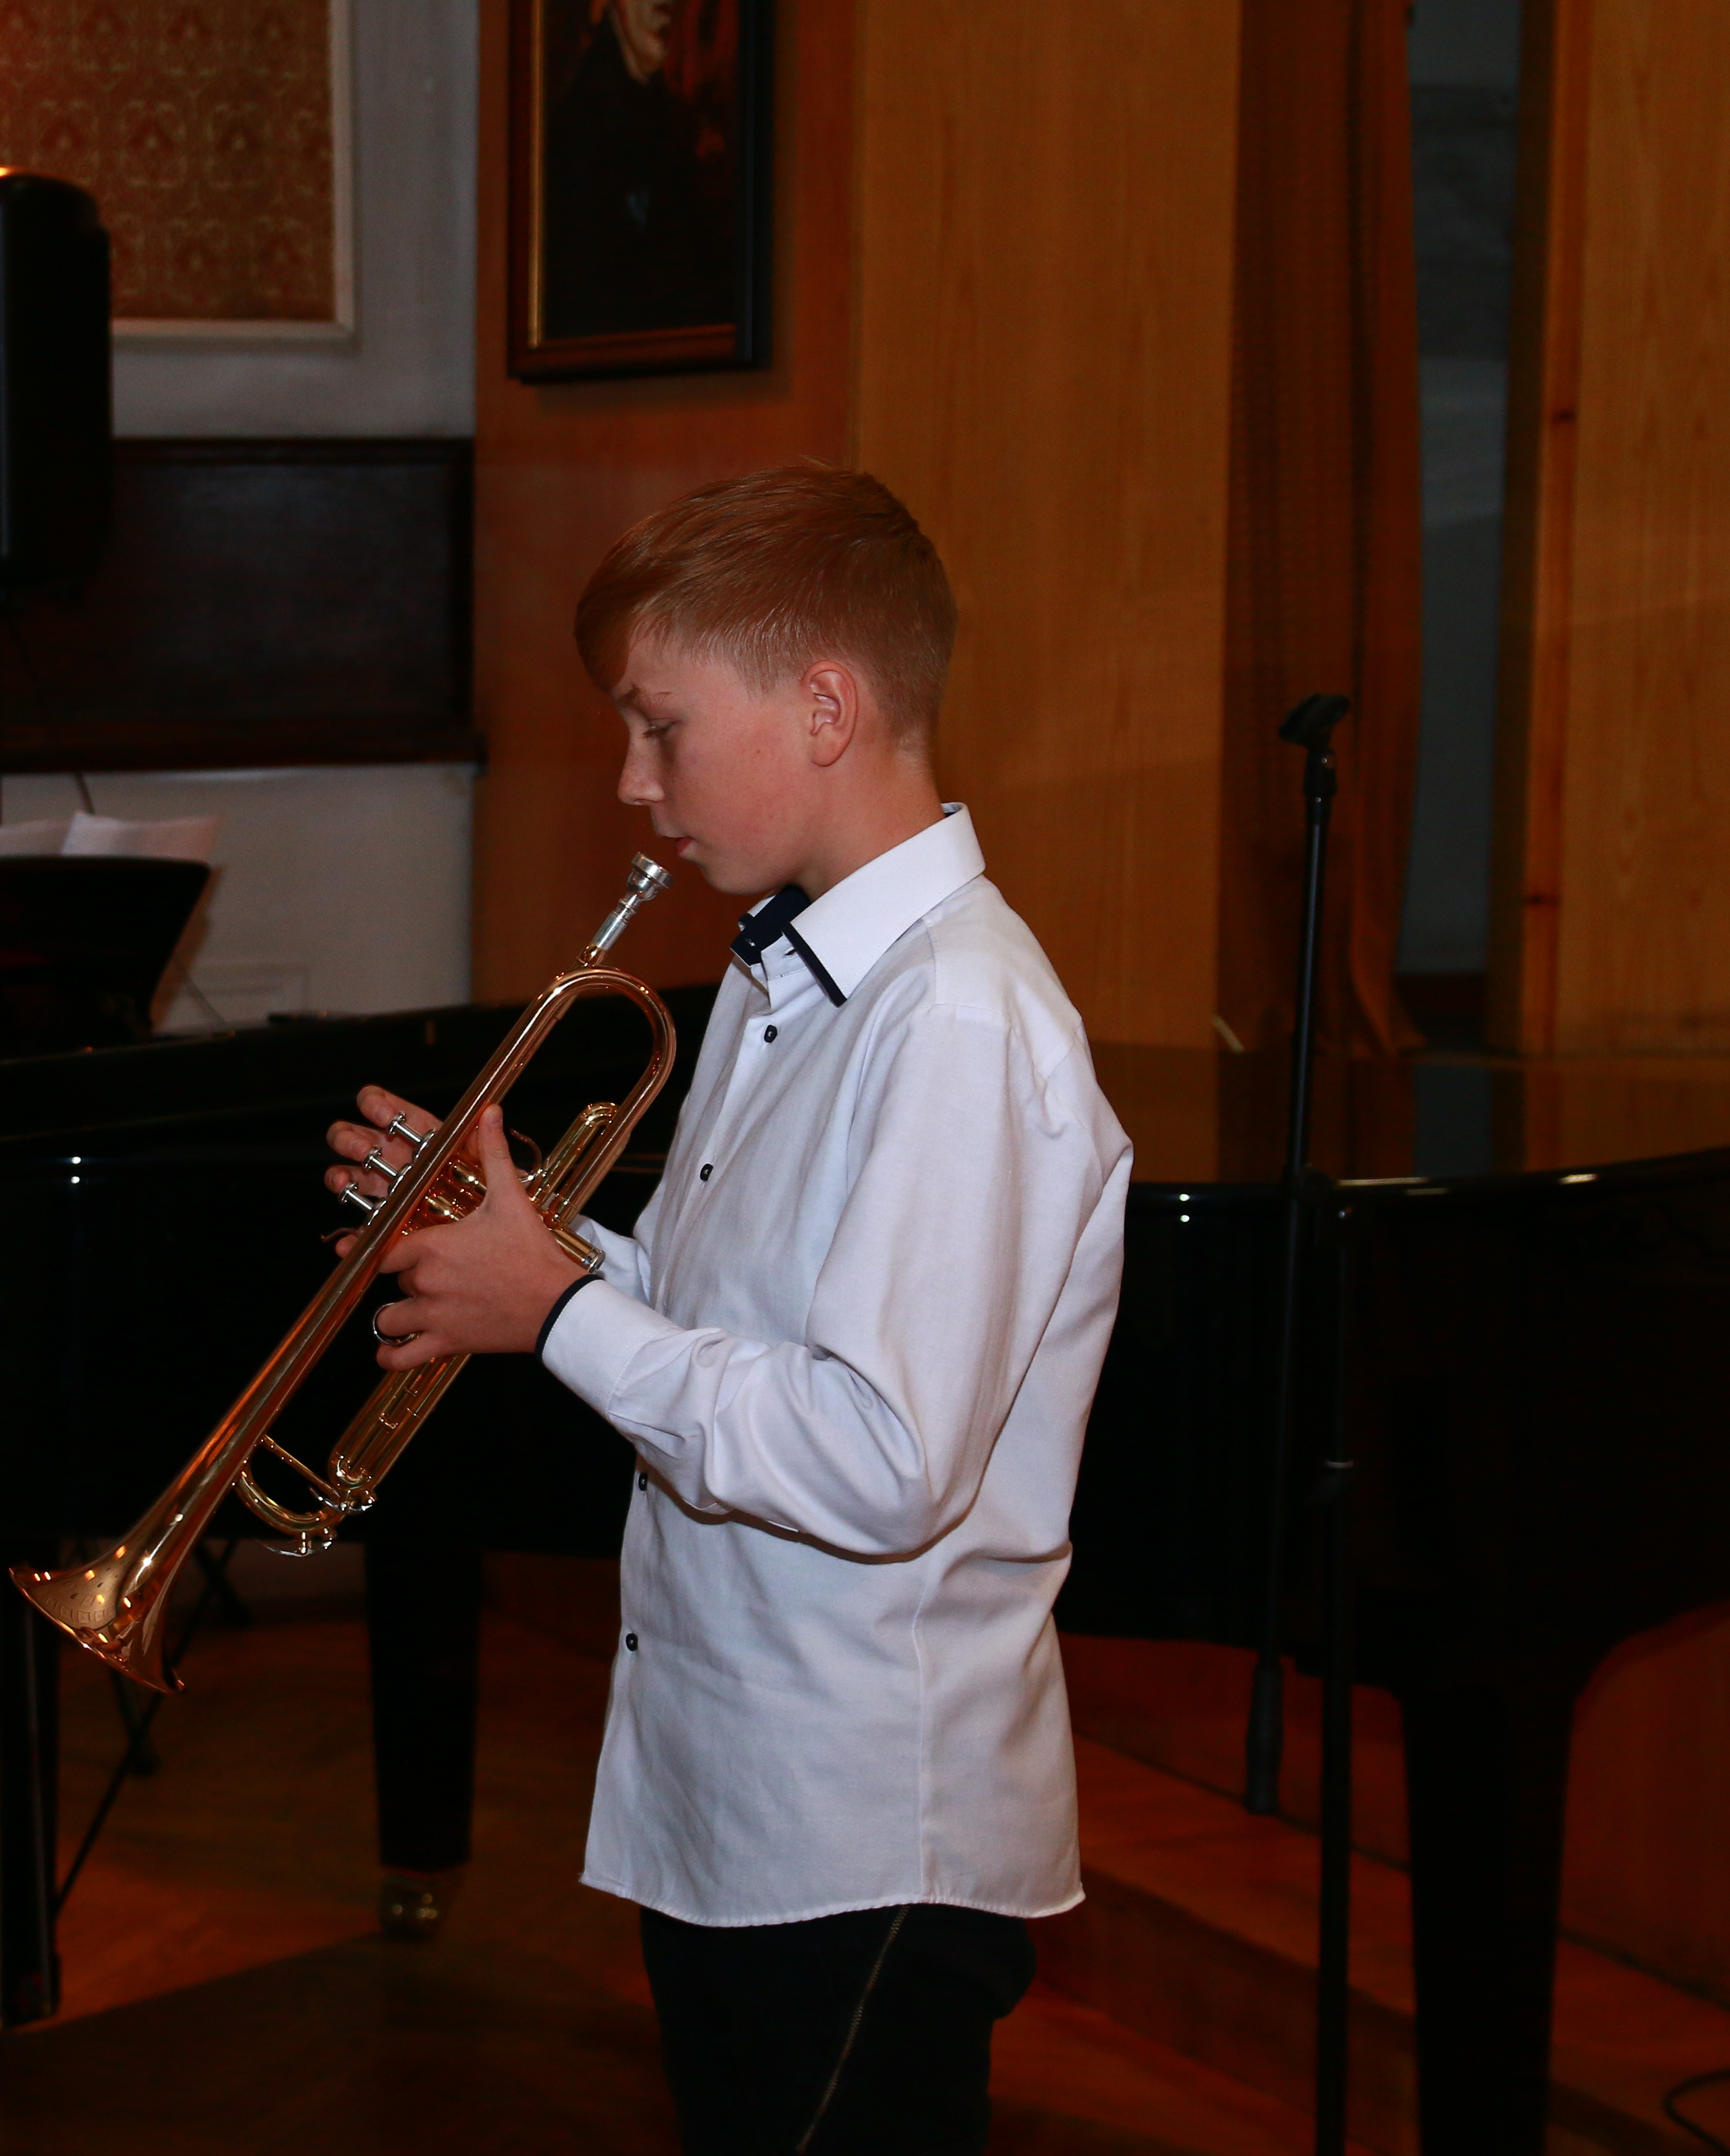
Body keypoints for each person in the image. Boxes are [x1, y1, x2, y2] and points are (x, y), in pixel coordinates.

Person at [327, 467, 1133, 2153]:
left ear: (825, 710)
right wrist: (536, 1249)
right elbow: (745, 1334)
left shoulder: (955, 1022)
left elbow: (881, 1459)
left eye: (661, 726)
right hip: (747, 1799)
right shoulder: (796, 979)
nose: (634, 781)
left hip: (863, 1833)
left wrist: (558, 1313)